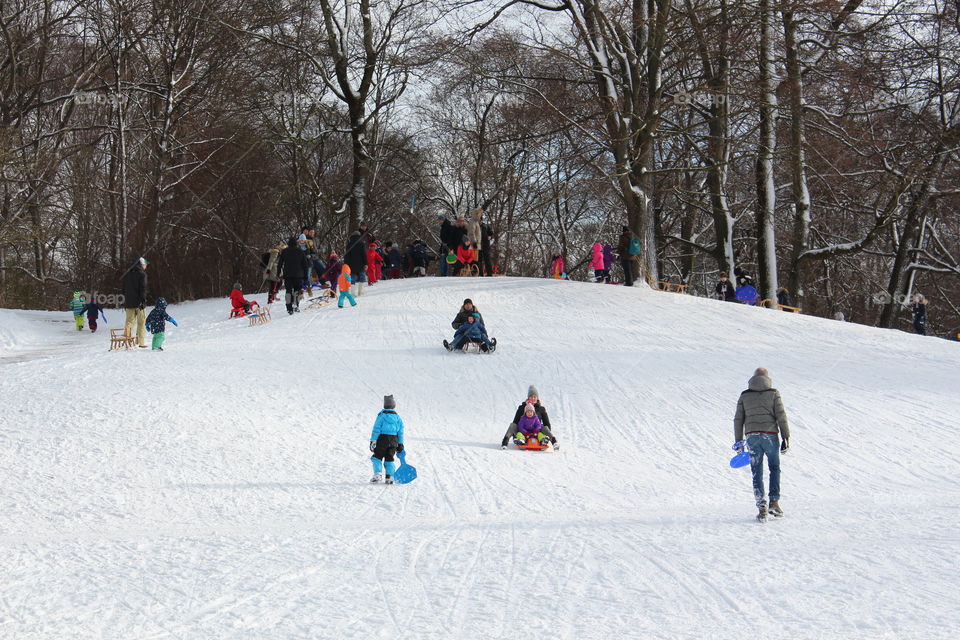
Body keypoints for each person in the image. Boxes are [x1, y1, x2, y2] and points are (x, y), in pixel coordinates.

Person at [733, 367, 790, 521]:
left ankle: (761, 506)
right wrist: (786, 437)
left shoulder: (745, 396)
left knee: (756, 471)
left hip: (752, 437)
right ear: (767, 378)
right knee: (774, 468)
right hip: (770, 436)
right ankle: (774, 502)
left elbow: (738, 419)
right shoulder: (773, 393)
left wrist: (739, 441)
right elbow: (781, 416)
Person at [501, 385, 558, 450]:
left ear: (537, 398)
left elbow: (547, 424)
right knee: (512, 425)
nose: (533, 398)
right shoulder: (522, 408)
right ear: (528, 398)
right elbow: (515, 422)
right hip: (522, 433)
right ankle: (505, 442)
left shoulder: (541, 409)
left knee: (543, 426)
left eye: (534, 397)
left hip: (536, 433)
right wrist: (517, 435)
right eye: (531, 397)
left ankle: (553, 442)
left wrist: (544, 434)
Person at [369, 395, 405, 484]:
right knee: (389, 458)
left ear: (385, 405)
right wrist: (400, 444)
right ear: (394, 406)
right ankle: (390, 477)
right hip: (394, 440)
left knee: (377, 457)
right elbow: (401, 432)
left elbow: (376, 428)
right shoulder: (398, 418)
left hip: (382, 439)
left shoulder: (381, 416)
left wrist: (373, 440)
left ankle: (377, 474)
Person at [122, 257, 149, 348]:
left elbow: (123, 289)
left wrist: (126, 299)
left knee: (129, 322)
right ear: (141, 265)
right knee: (141, 322)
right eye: (145, 265)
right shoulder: (142, 274)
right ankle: (140, 342)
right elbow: (143, 289)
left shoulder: (127, 274)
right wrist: (143, 300)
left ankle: (127, 340)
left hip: (128, 302)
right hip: (139, 303)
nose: (146, 266)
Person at [278, 237, 310, 314]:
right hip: (298, 275)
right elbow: (305, 265)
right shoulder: (300, 251)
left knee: (288, 291)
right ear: (296, 243)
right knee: (297, 290)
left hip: (287, 275)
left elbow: (279, 264)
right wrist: (306, 276)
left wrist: (278, 273)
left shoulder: (284, 251)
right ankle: (296, 305)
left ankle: (289, 307)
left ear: (288, 244)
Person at [344, 223, 369, 291]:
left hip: (351, 264)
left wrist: (346, 264)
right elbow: (363, 254)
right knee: (362, 276)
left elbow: (347, 255)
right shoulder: (361, 243)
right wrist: (366, 263)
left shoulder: (349, 244)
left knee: (353, 277)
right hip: (360, 263)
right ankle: (361, 291)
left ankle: (352, 292)